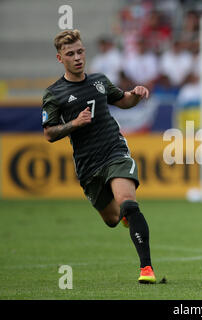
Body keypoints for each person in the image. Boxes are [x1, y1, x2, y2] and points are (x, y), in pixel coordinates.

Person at [42, 29, 156, 284]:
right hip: (88, 166)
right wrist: (74, 124)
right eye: (70, 54)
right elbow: (49, 133)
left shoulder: (99, 81)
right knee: (113, 218)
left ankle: (146, 269)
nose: (77, 57)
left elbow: (123, 101)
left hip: (114, 151)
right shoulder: (54, 94)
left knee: (128, 202)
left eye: (80, 51)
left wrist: (135, 95)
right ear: (60, 58)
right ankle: (124, 216)